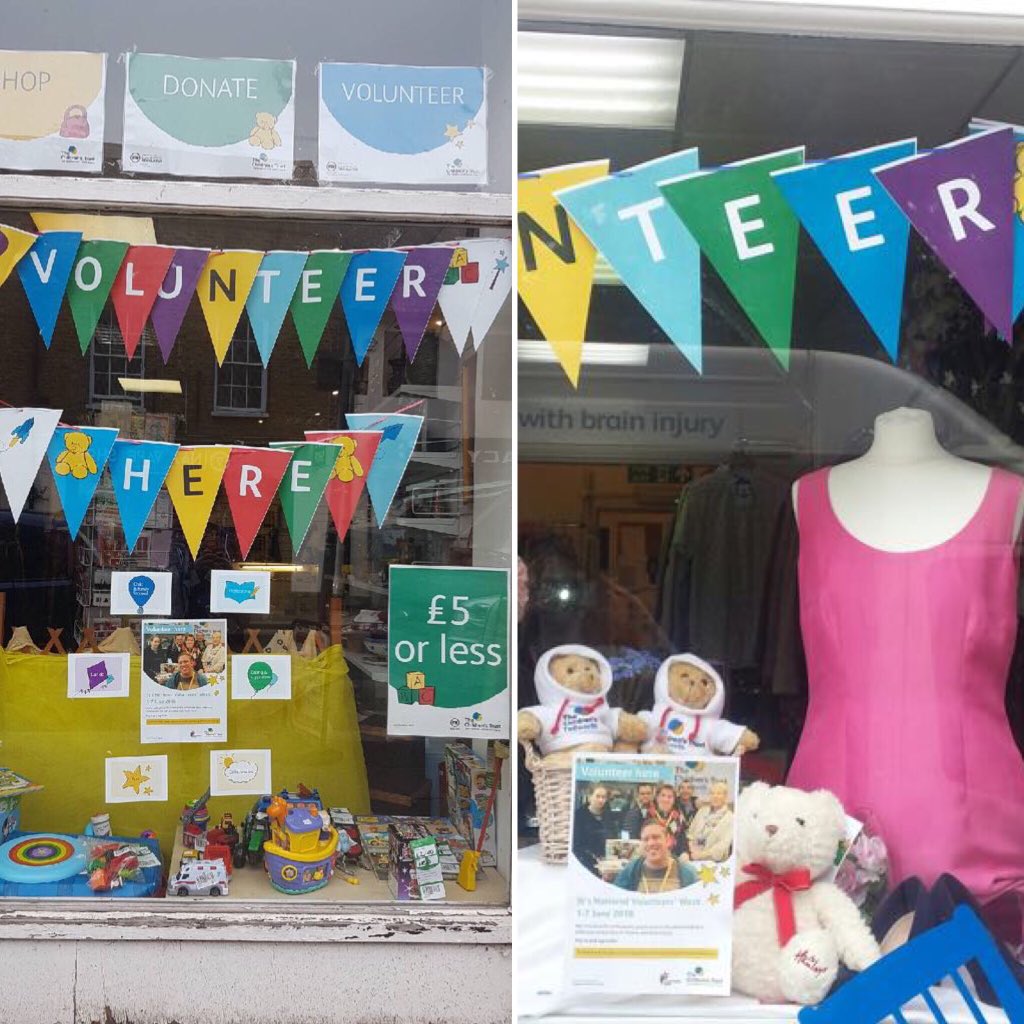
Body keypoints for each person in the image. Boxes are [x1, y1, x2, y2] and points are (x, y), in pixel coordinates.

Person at [614, 819, 697, 893]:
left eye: (656, 837)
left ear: (668, 840)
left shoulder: (687, 873)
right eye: (646, 839)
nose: (651, 843)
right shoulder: (630, 871)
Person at [686, 780, 734, 862]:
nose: (715, 796)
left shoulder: (731, 818)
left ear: (725, 797)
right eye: (712, 793)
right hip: (693, 856)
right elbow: (690, 833)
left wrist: (701, 855)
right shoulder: (702, 811)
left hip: (714, 862)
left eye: (719, 793)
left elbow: (723, 845)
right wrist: (691, 849)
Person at [572, 783, 610, 876]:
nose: (601, 800)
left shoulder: (608, 815)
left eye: (603, 797)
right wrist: (593, 857)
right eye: (598, 796)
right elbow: (576, 844)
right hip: (585, 864)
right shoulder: (579, 816)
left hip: (606, 864)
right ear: (590, 797)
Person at [649, 783, 684, 854]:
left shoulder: (678, 817)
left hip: (674, 854)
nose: (666, 799)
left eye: (669, 797)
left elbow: (682, 839)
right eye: (663, 795)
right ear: (657, 798)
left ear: (674, 800)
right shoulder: (648, 815)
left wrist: (685, 852)